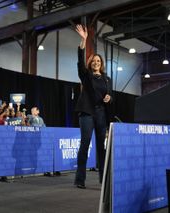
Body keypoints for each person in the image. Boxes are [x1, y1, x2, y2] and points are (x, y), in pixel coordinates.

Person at [74, 24, 112, 189]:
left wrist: (110, 98)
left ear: (101, 64)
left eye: (99, 61)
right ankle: (80, 179)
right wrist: (84, 40)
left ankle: (103, 179)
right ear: (91, 63)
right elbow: (80, 61)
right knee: (85, 144)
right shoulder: (86, 75)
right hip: (87, 113)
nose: (96, 62)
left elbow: (111, 97)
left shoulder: (107, 79)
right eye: (94, 60)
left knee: (101, 147)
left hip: (101, 114)